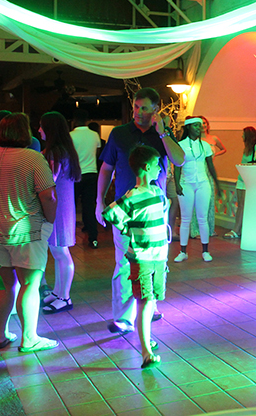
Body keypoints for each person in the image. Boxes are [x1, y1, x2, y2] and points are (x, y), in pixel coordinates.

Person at [96, 88, 185, 335]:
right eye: (136, 106)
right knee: (125, 262)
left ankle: (149, 304)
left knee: (155, 260)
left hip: (155, 210)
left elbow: (179, 160)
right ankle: (124, 317)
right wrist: (99, 201)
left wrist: (163, 132)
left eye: (144, 108)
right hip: (127, 208)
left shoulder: (162, 135)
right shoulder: (120, 134)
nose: (138, 112)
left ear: (155, 109)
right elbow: (106, 169)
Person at [0, 113, 58, 353]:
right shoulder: (32, 158)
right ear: (25, 132)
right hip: (26, 230)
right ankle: (29, 338)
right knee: (29, 284)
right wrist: (50, 220)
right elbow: (48, 195)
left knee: (2, 284)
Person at [103, 145, 170, 369]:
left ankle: (146, 338)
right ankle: (146, 351)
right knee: (145, 300)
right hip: (142, 257)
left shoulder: (157, 192)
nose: (160, 169)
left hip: (159, 256)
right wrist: (128, 228)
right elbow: (110, 213)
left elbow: (163, 211)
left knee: (152, 299)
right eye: (157, 165)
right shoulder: (132, 196)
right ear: (147, 167)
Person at [39, 111, 82, 314]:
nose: (39, 130)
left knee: (60, 252)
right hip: (63, 206)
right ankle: (59, 293)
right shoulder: (64, 150)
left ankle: (64, 297)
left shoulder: (54, 152)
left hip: (57, 207)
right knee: (59, 252)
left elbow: (49, 181)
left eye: (42, 126)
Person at [173, 117, 219, 262]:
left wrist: (217, 182)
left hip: (203, 183)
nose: (200, 128)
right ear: (188, 127)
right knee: (186, 218)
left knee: (202, 218)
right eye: (196, 126)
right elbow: (177, 166)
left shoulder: (205, 145)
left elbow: (210, 166)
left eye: (200, 126)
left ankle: (205, 251)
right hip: (186, 184)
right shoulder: (180, 145)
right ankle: (183, 252)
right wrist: (177, 184)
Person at [225, 126, 256, 239]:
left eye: (243, 134)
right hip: (241, 179)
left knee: (244, 206)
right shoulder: (247, 148)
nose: (242, 136)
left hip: (249, 180)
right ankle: (237, 229)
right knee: (240, 205)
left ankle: (237, 230)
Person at [188, 116, 225, 239]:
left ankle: (209, 229)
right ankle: (195, 230)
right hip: (198, 171)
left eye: (205, 123)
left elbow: (223, 149)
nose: (203, 126)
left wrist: (215, 155)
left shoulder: (213, 138)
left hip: (209, 170)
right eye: (200, 124)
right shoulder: (195, 139)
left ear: (208, 125)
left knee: (209, 199)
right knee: (197, 200)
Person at [70, 109, 101, 249]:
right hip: (92, 173)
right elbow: (97, 153)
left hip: (75, 174)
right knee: (89, 206)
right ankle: (93, 237)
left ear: (74, 120)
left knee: (72, 206)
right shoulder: (94, 135)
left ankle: (69, 235)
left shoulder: (70, 136)